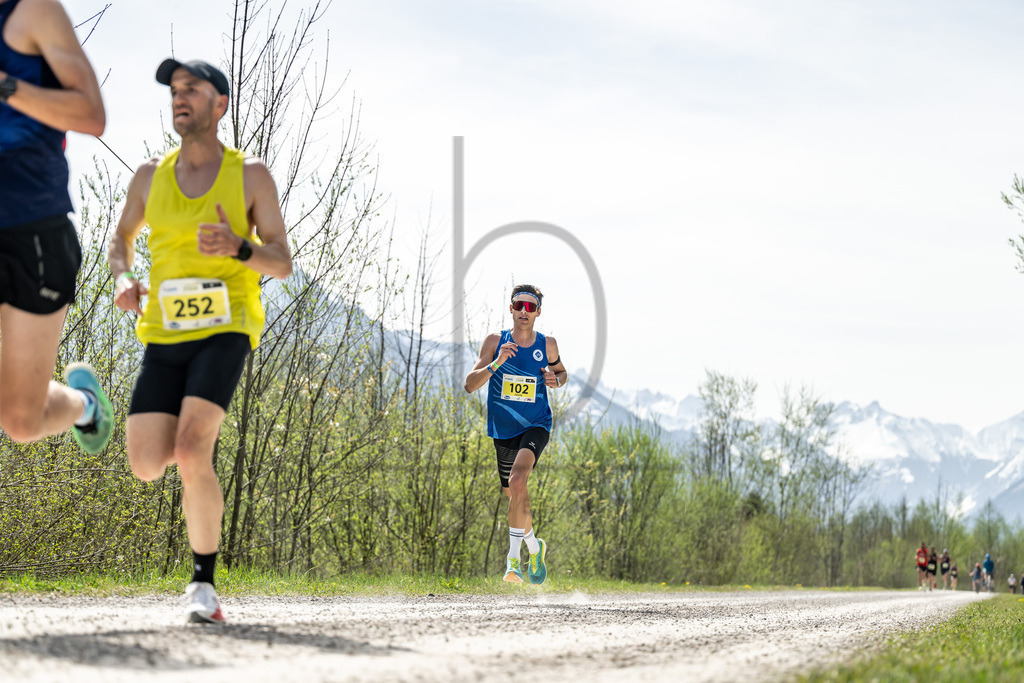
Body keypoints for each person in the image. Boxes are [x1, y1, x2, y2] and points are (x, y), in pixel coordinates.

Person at [110, 58, 292, 623]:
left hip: (226, 326)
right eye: (174, 89)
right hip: (164, 331)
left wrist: (240, 248)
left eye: (193, 88)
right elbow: (120, 241)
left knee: (192, 451)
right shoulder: (148, 177)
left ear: (221, 104)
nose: (179, 96)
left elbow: (282, 263)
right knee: (146, 462)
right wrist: (122, 279)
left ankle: (203, 587)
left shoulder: (250, 176)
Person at [0, 0, 112, 454]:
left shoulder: (33, 12)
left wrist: (6, 86)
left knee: (22, 422)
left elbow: (92, 115)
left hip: (32, 232)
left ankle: (85, 404)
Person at [464, 284, 568, 585]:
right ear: (510, 308)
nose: (524, 312)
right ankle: (535, 548)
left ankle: (513, 564)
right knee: (516, 497)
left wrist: (556, 381)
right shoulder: (496, 341)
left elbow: (562, 373)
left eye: (530, 307)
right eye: (518, 306)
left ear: (538, 312)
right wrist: (497, 363)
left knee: (518, 480)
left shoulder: (547, 344)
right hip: (503, 428)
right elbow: (470, 385)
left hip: (536, 423)